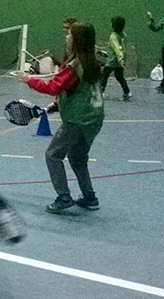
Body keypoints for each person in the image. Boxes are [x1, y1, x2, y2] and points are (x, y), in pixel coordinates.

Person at [16, 22, 104, 213]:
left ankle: (64, 198)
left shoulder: (75, 65)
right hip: (94, 117)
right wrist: (57, 105)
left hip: (78, 119)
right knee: (77, 157)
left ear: (77, 39)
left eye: (69, 34)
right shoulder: (92, 62)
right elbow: (80, 90)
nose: (66, 37)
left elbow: (54, 86)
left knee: (53, 155)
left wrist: (28, 79)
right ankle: (90, 197)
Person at [100, 16, 131, 100]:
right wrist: (122, 58)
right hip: (119, 60)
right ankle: (127, 92)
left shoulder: (113, 36)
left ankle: (101, 92)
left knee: (104, 75)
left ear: (113, 25)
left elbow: (117, 48)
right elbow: (122, 48)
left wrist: (120, 58)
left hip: (112, 60)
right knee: (119, 76)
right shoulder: (124, 35)